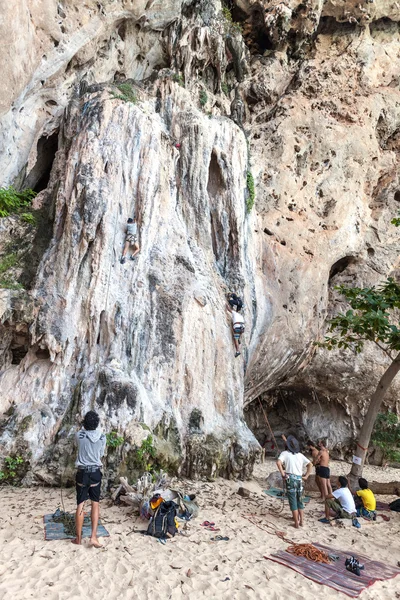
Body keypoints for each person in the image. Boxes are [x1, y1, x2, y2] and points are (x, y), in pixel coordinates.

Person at [72, 411, 106, 547]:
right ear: (97, 424)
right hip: (95, 473)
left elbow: (79, 439)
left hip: (83, 473)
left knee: (81, 504)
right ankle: (93, 537)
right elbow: (101, 454)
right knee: (95, 504)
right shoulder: (102, 437)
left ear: (84, 423)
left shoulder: (79, 436)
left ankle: (78, 538)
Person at [276, 434, 313, 528]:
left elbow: (278, 462)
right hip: (299, 479)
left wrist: (283, 474)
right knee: (299, 500)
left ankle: (296, 523)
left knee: (293, 501)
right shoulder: (300, 455)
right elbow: (310, 464)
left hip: (290, 480)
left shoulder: (284, 454)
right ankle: (302, 522)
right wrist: (306, 475)